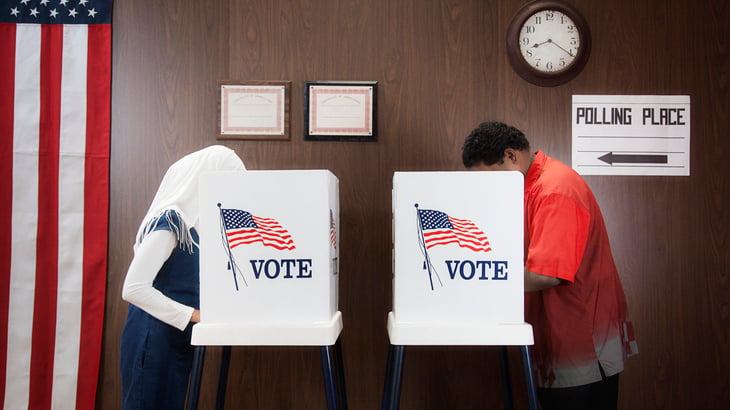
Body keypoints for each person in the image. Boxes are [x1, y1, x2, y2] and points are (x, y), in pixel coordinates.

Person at [462, 121, 637, 410]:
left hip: (579, 334)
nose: (488, 188)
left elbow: (546, 274)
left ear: (510, 156)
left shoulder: (555, 189)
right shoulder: (529, 187)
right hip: (555, 333)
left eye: (489, 177)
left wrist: (481, 281)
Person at [120, 145, 245, 409]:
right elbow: (133, 288)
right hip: (151, 340)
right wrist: (196, 315)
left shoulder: (193, 229)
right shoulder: (170, 223)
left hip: (174, 339)